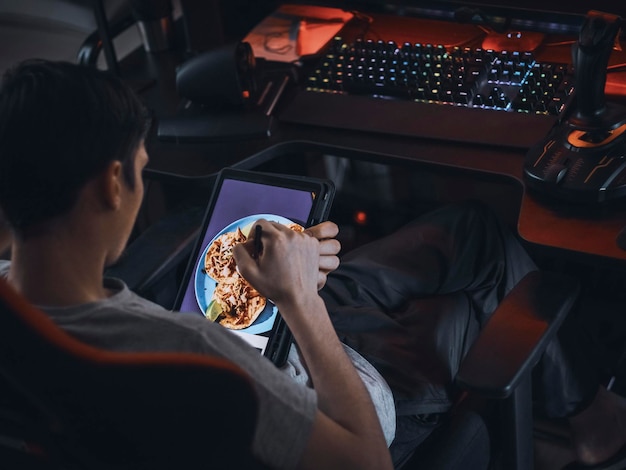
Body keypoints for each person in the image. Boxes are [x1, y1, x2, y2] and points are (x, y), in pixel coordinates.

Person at [0, 59, 625, 470]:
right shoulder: (193, 359)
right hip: (352, 405)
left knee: (467, 234)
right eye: (138, 169)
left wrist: (282, 289)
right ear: (113, 184)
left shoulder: (18, 310)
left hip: (273, 348)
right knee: (474, 298)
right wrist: (299, 302)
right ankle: (592, 426)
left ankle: (562, 416)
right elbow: (365, 462)